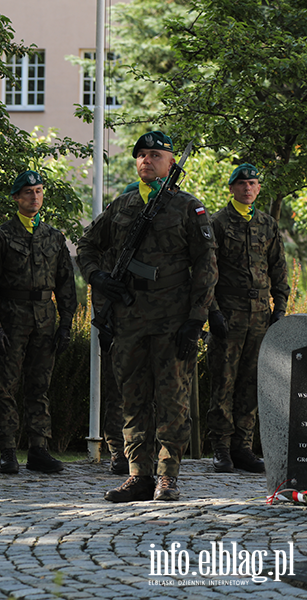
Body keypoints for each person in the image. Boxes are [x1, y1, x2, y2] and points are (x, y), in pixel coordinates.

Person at [77, 131, 217, 502]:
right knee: (132, 400)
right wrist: (98, 278)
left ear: (171, 163)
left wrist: (196, 318)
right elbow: (87, 246)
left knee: (173, 400)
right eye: (141, 155)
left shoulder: (188, 208)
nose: (146, 160)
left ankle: (167, 476)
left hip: (172, 319)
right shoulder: (121, 207)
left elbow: (206, 265)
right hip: (129, 319)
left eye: (155, 155)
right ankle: (138, 474)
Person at [0, 170, 76, 476]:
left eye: (38, 191)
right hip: (12, 318)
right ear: (16, 198)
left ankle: (39, 448)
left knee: (40, 386)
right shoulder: (2, 235)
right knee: (6, 387)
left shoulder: (54, 236)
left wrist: (66, 324)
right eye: (27, 192)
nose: (33, 197)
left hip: (44, 320)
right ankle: (7, 449)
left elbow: (65, 283)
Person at [207, 163, 288, 474]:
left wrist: (279, 307)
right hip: (228, 316)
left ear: (258, 188)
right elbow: (207, 273)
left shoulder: (268, 224)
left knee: (252, 384)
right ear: (232, 188)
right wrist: (212, 311)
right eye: (242, 184)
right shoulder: (217, 223)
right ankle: (221, 449)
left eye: (253, 183)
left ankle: (243, 447)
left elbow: (278, 269)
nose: (248, 188)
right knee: (223, 384)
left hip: (260, 319)